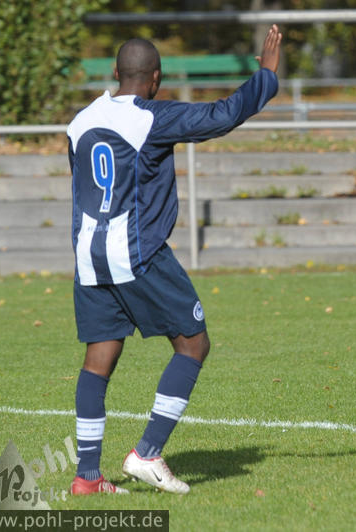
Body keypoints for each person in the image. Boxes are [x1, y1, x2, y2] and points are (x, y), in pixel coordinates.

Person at [66, 25, 282, 494]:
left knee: (98, 359)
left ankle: (87, 477)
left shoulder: (79, 121)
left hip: (88, 255)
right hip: (138, 253)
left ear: (114, 72)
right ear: (156, 78)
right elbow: (223, 114)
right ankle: (147, 453)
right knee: (193, 344)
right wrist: (266, 76)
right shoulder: (152, 117)